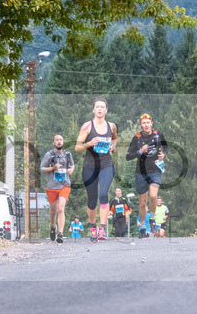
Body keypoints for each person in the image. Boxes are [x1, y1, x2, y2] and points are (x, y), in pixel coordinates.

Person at [75, 98, 117, 242]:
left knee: (104, 194)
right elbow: (77, 146)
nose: (99, 109)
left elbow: (115, 139)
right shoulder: (87, 126)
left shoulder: (111, 126)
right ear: (94, 109)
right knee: (92, 200)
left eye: (102, 107)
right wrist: (89, 143)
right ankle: (93, 227)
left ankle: (102, 228)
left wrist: (113, 146)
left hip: (106, 165)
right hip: (90, 167)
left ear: (106, 110)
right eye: (97, 107)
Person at [125, 113, 168, 238]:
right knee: (142, 202)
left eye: (148, 122)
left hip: (155, 169)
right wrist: (140, 151)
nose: (146, 125)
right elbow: (128, 156)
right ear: (141, 125)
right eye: (143, 123)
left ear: (151, 123)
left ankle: (152, 219)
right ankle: (143, 227)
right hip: (141, 172)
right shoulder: (137, 138)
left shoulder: (158, 135)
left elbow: (166, 147)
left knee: (154, 195)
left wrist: (163, 154)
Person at [40, 134, 74, 243]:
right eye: (57, 140)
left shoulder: (68, 155)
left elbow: (72, 165)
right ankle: (52, 226)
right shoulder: (49, 155)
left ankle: (60, 233)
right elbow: (42, 168)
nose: (59, 142)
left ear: (63, 142)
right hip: (52, 186)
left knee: (61, 208)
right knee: (53, 211)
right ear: (53, 142)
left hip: (65, 185)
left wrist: (71, 170)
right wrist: (53, 168)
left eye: (60, 140)